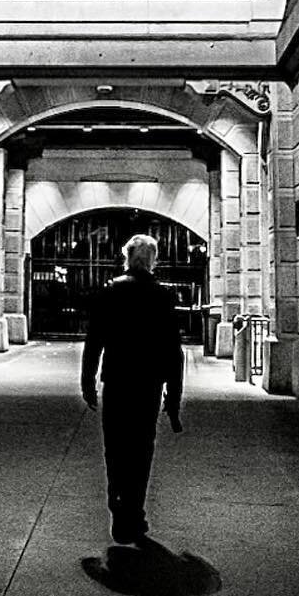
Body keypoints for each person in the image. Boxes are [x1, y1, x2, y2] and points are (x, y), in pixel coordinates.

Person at [81, 233, 184, 544]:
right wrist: (174, 396)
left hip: (116, 379)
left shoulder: (110, 290)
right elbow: (173, 350)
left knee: (115, 445)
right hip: (148, 383)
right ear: (152, 260)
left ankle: (117, 503)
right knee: (142, 447)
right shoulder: (162, 295)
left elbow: (94, 339)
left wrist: (87, 380)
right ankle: (135, 512)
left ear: (126, 257)